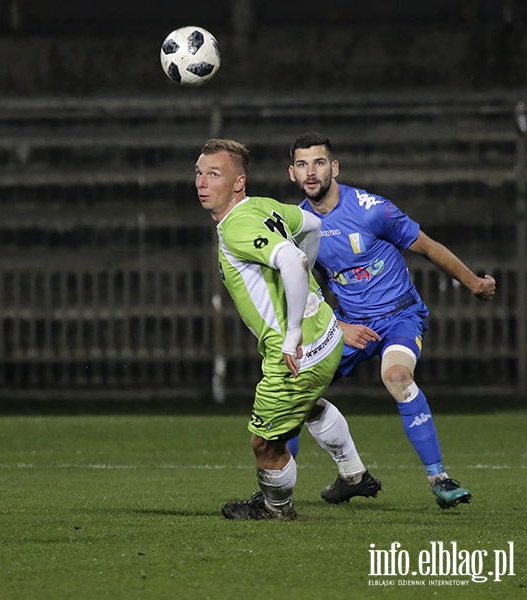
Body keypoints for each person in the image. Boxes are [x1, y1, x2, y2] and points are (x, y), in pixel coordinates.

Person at [287, 131, 496, 509]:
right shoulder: (298, 226)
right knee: (292, 389)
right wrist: (337, 325)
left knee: (397, 377)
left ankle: (440, 479)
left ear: (334, 168)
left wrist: (474, 284)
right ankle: (328, 480)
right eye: (302, 165)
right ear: (292, 174)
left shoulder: (372, 209)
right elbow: (302, 287)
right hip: (349, 325)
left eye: (318, 163)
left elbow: (428, 247)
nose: (311, 172)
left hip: (399, 316)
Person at [196, 139, 380, 521]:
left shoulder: (237, 226)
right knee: (306, 407)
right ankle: (353, 473)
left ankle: (276, 508)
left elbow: (293, 260)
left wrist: (292, 334)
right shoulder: (263, 206)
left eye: (215, 174)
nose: (202, 182)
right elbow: (311, 224)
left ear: (237, 183)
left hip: (299, 351)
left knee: (265, 443)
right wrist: (309, 291)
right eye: (199, 173)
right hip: (328, 333)